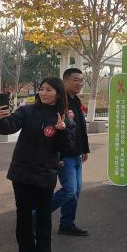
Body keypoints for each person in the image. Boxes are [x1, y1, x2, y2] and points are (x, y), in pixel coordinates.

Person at [0, 77, 75, 252]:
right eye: (42, 89)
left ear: (58, 94)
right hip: (22, 172)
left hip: (46, 173)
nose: (43, 93)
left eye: (49, 90)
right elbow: (8, 127)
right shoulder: (27, 111)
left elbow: (67, 148)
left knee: (44, 215)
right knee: (24, 216)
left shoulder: (63, 118)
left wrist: (62, 131)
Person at [51, 68, 90, 236]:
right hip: (64, 155)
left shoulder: (76, 100)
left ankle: (67, 224)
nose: (80, 83)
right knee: (69, 190)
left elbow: (80, 128)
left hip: (77, 154)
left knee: (76, 191)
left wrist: (85, 149)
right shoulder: (59, 102)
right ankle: (35, 215)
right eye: (76, 80)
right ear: (65, 81)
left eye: (81, 80)